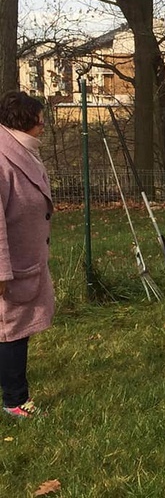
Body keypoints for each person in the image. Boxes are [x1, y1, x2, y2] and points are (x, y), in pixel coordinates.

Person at [0, 91, 55, 418]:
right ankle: (15, 401)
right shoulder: (3, 158)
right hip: (11, 267)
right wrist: (2, 271)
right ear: (25, 119)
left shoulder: (21, 151)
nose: (44, 122)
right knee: (11, 331)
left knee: (13, 330)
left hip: (26, 258)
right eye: (39, 117)